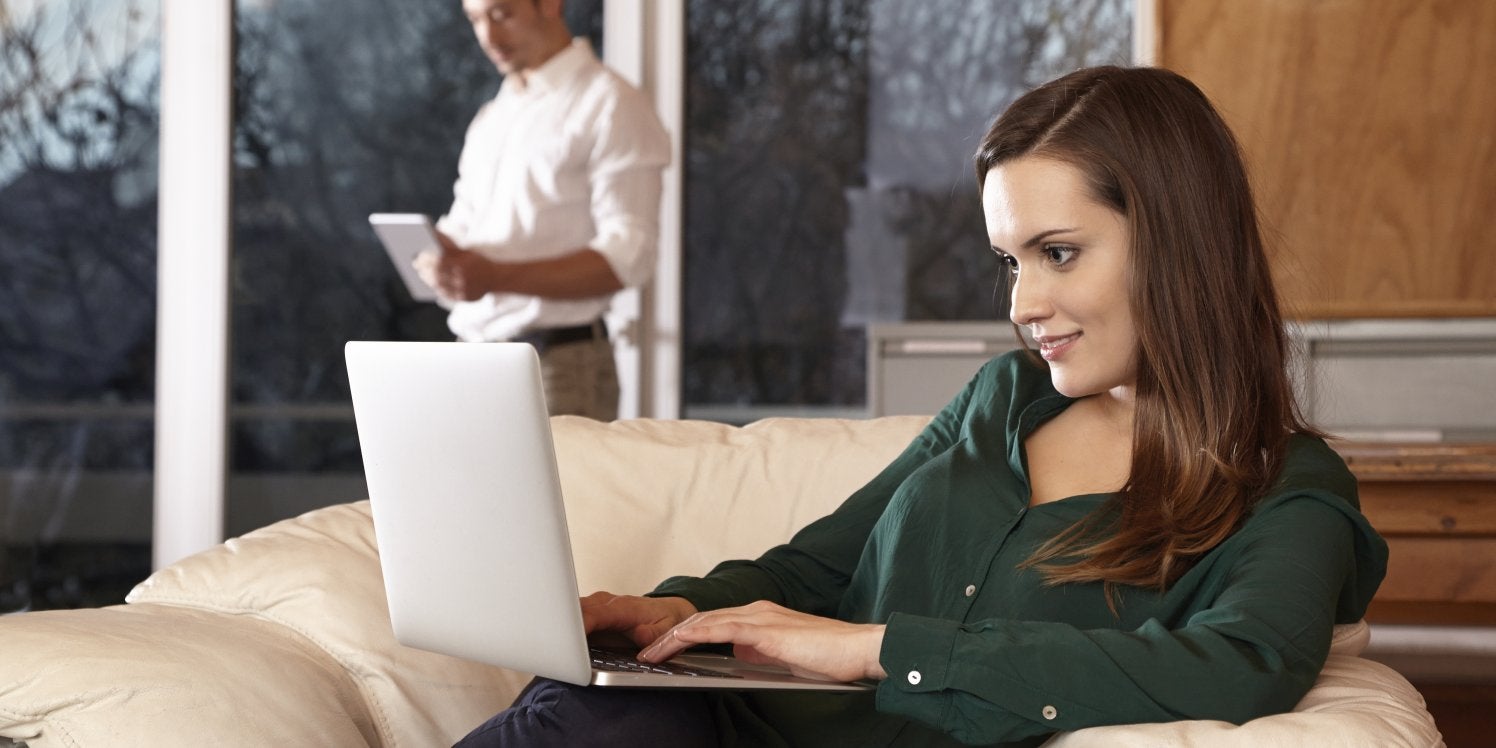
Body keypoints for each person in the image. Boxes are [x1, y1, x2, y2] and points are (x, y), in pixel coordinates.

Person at [454, 65, 1389, 747]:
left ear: (1180, 242)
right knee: (593, 708)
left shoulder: (1283, 488)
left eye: (1058, 252)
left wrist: (878, 650)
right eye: (1010, 262)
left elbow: (1243, 666)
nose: (1023, 304)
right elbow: (816, 569)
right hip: (721, 725)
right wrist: (672, 610)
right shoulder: (1005, 399)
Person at [415, 0, 670, 421]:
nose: (488, 36)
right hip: (469, 361)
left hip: (556, 367)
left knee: (567, 472)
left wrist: (494, 276)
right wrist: (440, 260)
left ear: (550, 4)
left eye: (502, 14)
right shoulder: (493, 116)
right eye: (476, 20)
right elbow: (466, 228)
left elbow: (630, 255)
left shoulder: (611, 103)